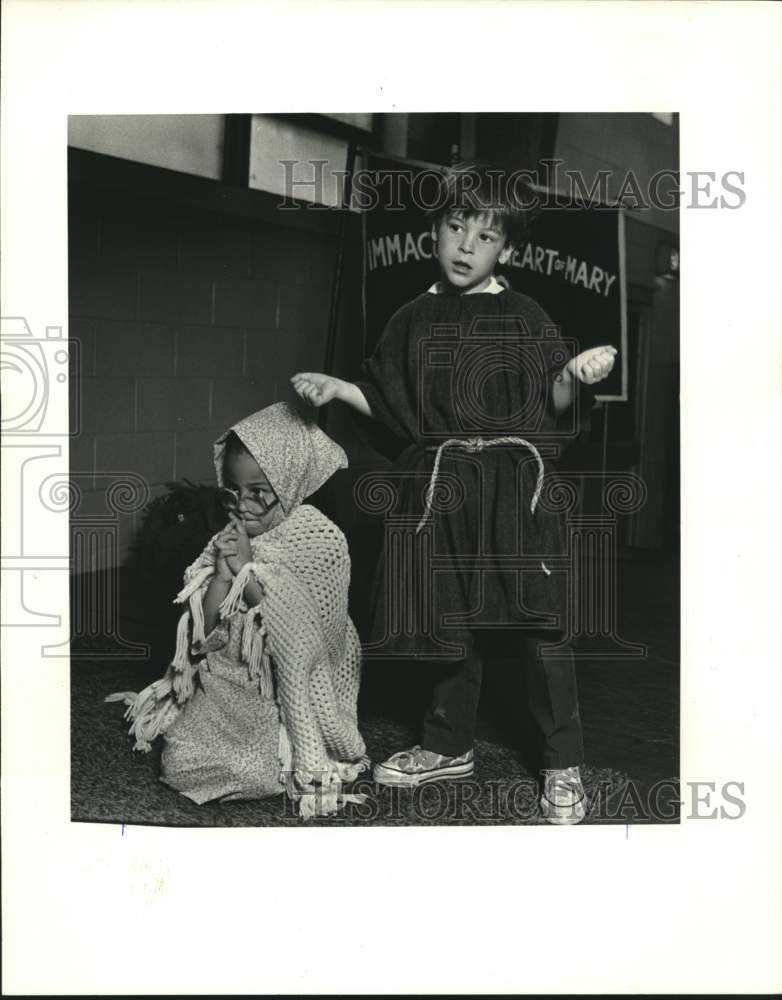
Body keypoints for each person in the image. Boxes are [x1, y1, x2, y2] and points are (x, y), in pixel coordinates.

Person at [291, 162, 617, 825]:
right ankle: (448, 744)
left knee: (541, 625)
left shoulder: (526, 313)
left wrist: (575, 376)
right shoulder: (412, 317)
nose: (466, 245)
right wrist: (339, 388)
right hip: (442, 488)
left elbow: (553, 401)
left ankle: (563, 761)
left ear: (509, 249)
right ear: (434, 232)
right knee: (449, 614)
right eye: (455, 227)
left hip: (515, 487)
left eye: (485, 236)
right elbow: (392, 408)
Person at [107, 402, 369, 818]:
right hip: (225, 688)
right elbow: (202, 632)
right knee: (178, 761)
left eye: (259, 493)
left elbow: (304, 634)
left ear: (289, 483)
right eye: (233, 489)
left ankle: (276, 765)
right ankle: (236, 762)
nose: (243, 505)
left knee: (264, 769)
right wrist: (223, 579)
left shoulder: (319, 538)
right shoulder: (226, 536)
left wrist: (247, 574)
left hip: (278, 696)